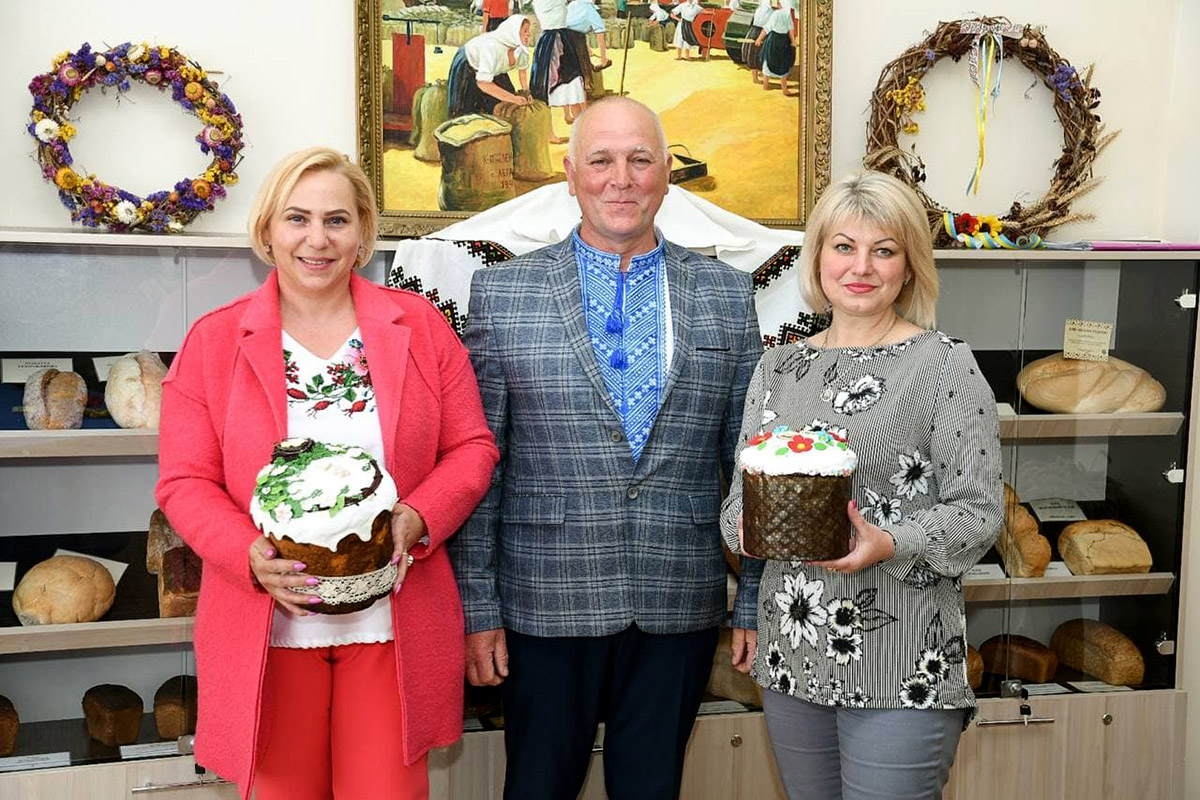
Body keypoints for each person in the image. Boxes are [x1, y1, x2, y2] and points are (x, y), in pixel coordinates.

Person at [155, 147, 500, 800]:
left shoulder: (421, 328)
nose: (317, 239)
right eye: (298, 218)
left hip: (393, 624)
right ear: (267, 230)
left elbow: (472, 447)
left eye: (337, 220)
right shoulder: (213, 341)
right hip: (268, 628)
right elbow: (184, 480)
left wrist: (420, 515)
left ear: (363, 233)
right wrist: (247, 553)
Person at [451, 96, 764, 800]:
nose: (621, 178)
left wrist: (752, 600)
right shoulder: (503, 293)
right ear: (570, 175)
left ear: (667, 174)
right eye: (600, 160)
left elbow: (749, 464)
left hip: (677, 599)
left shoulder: (726, 294)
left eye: (640, 159)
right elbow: (480, 466)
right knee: (537, 789)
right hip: (543, 600)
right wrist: (478, 608)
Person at [720, 170, 1003, 800]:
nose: (861, 267)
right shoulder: (778, 367)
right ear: (818, 256)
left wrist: (889, 541)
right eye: (844, 246)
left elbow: (980, 513)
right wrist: (744, 526)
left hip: (903, 659)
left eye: (884, 250)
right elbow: (739, 496)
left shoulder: (944, 365)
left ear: (909, 266)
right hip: (792, 655)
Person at [447, 15, 533, 118]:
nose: (529, 34)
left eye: (528, 31)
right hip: (467, 64)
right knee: (465, 114)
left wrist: (526, 92)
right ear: (514, 31)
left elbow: (522, 71)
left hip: (493, 70)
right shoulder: (492, 47)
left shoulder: (521, 50)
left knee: (504, 105)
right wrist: (513, 99)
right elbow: (483, 83)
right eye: (525, 31)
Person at [531, 0, 588, 142]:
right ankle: (551, 134)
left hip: (562, 40)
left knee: (574, 82)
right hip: (551, 42)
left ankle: (581, 130)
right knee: (546, 87)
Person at [755, 0, 796, 94]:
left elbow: (767, 28)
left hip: (774, 40)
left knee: (768, 60)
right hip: (784, 41)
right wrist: (793, 41)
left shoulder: (775, 14)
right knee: (782, 63)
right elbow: (791, 29)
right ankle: (784, 89)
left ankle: (765, 86)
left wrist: (759, 39)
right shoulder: (787, 14)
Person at [742, 0, 773, 82]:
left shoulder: (758, 9)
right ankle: (762, 79)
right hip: (762, 33)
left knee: (753, 55)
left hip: (753, 31)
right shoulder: (770, 12)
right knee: (762, 56)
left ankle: (755, 78)